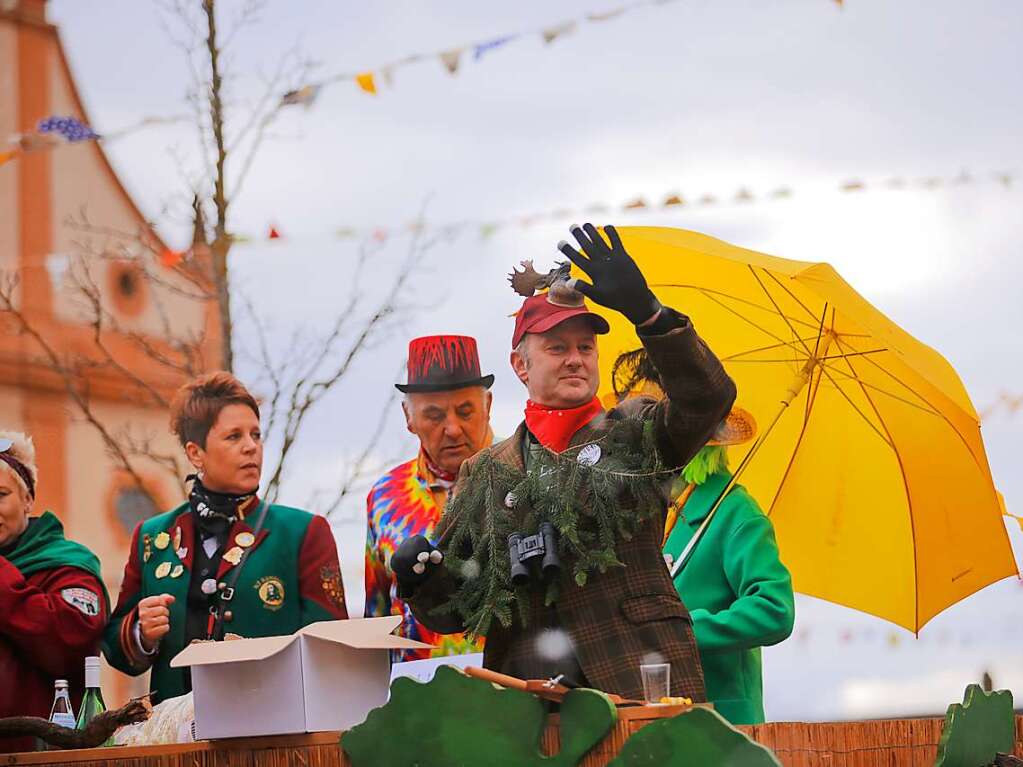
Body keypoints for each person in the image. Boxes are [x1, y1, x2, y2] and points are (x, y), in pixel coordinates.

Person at [393, 224, 736, 702]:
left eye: (585, 347)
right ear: (520, 365)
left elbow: (709, 397)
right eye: (557, 348)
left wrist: (649, 314)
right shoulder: (487, 469)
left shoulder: (636, 430)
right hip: (526, 696)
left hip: (639, 675)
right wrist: (420, 578)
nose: (575, 359)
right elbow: (463, 608)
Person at [103, 372, 348, 703]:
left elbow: (331, 648)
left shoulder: (303, 532)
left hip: (271, 734)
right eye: (234, 437)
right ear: (195, 453)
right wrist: (140, 632)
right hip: (177, 742)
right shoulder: (152, 537)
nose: (251, 447)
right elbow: (116, 650)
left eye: (256, 435)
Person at [612, 349, 795, 724]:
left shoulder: (735, 512)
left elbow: (775, 611)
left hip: (724, 727)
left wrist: (685, 631)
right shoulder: (645, 508)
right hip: (656, 723)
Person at [365, 335, 493, 661]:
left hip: (509, 690)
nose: (451, 429)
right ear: (409, 417)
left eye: (466, 411)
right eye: (434, 416)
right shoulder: (384, 497)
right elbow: (377, 616)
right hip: (414, 696)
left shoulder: (523, 476)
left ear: (488, 406)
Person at [0, 432, 109, 754]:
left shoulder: (68, 566)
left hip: (40, 754)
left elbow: (69, 642)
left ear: (28, 500)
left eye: (1, 494)